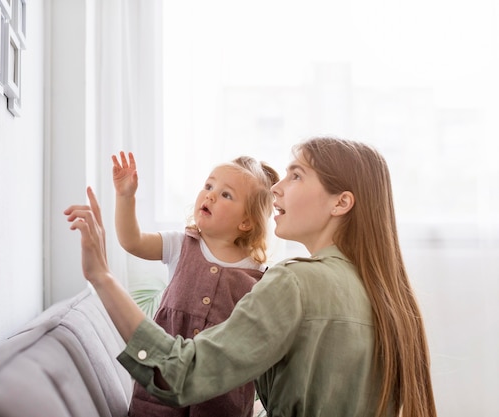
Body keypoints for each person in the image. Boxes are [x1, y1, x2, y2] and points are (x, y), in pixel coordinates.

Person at [64, 137, 437, 417]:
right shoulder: (385, 295)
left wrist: (101, 276)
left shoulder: (293, 282)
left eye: (296, 175)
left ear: (341, 203)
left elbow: (180, 376)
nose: (276, 188)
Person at [111, 151, 280, 417]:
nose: (210, 195)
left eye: (226, 194)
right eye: (209, 186)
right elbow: (132, 241)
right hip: (162, 383)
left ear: (246, 221)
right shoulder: (180, 245)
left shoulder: (258, 275)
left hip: (221, 396)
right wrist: (125, 197)